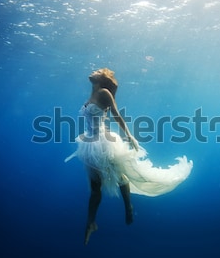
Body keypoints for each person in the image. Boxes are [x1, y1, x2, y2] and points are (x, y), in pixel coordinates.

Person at [65, 68, 193, 245]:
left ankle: (127, 206)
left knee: (118, 175)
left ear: (102, 78)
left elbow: (116, 115)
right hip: (90, 141)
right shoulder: (94, 92)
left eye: (98, 70)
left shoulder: (103, 92)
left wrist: (130, 136)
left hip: (103, 141)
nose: (93, 70)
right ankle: (91, 222)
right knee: (97, 186)